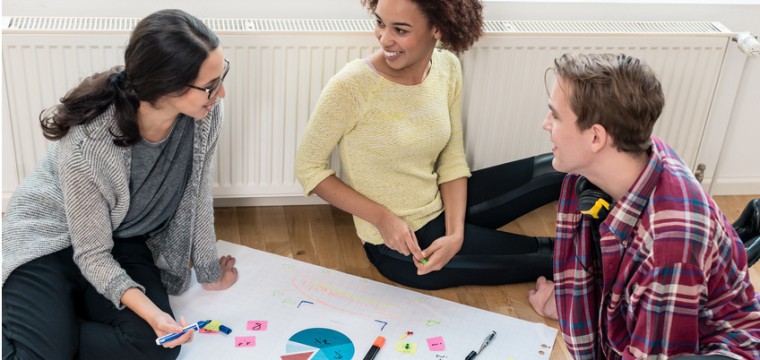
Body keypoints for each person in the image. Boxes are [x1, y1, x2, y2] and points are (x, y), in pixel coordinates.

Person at [2, 9, 238, 360]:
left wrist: (206, 271)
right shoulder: (89, 144)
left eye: (221, 75)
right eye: (210, 85)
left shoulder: (203, 117)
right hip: (49, 241)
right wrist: (150, 311)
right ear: (164, 85)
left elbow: (197, 194)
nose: (221, 93)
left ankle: (52, 333)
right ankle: (43, 338)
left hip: (121, 240)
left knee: (157, 349)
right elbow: (90, 252)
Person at [295, 0, 565, 290]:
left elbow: (451, 157)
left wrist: (456, 234)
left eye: (400, 29)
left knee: (561, 169)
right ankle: (612, 256)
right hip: (405, 243)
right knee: (555, 258)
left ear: (437, 28)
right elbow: (308, 168)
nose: (385, 39)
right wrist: (383, 219)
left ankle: (616, 222)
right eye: (380, 23)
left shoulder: (447, 66)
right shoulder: (351, 86)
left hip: (439, 199)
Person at [529, 53, 760, 358]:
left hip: (713, 346)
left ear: (596, 136)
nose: (546, 124)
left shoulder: (668, 246)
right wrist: (569, 300)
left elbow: (658, 352)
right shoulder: (631, 158)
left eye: (555, 116)